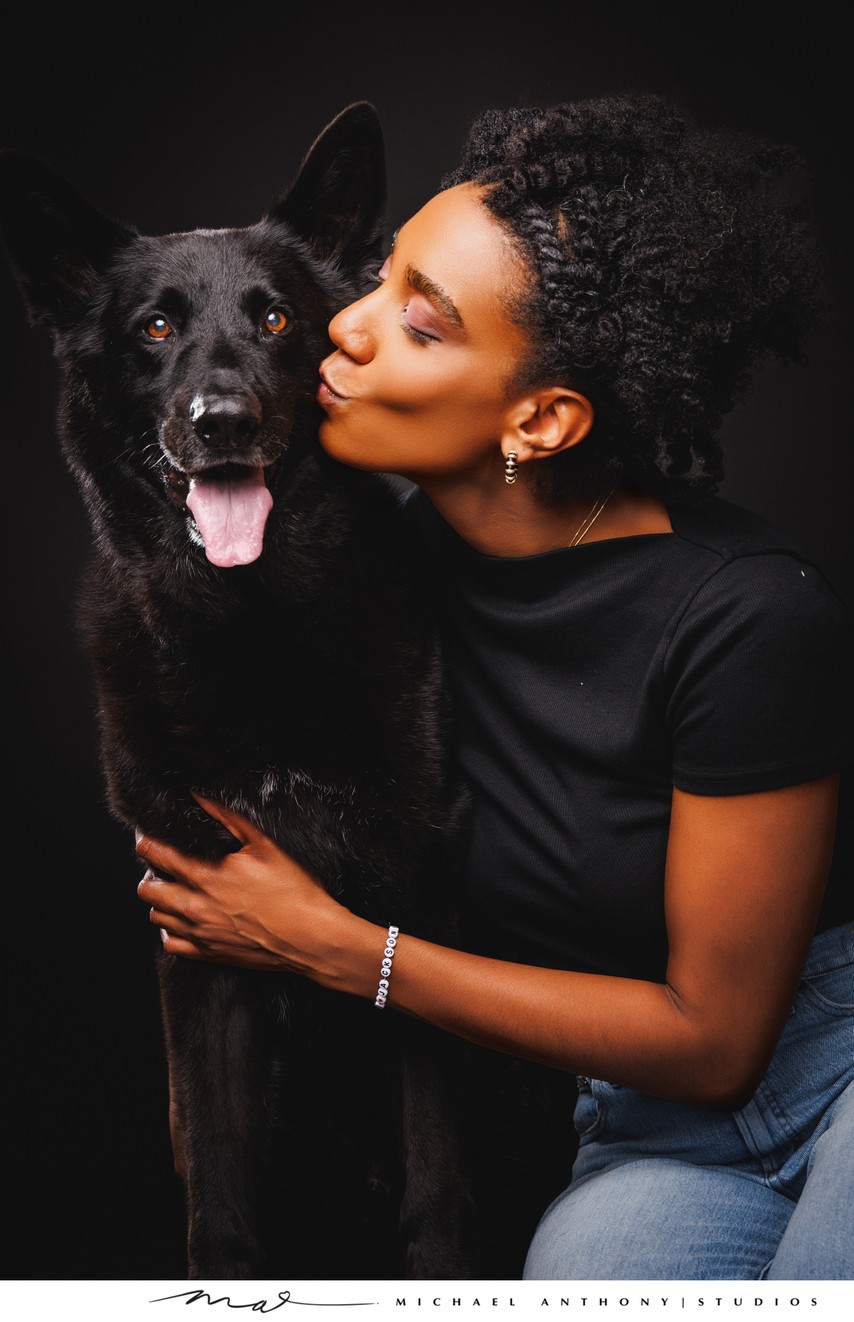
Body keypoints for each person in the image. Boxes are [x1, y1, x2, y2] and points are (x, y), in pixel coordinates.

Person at [135, 91, 853, 1280]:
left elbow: (718, 1037)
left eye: (419, 323)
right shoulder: (369, 580)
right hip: (641, 1126)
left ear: (541, 417)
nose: (344, 328)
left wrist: (337, 946)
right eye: (377, 278)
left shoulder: (746, 612)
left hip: (826, 1067)